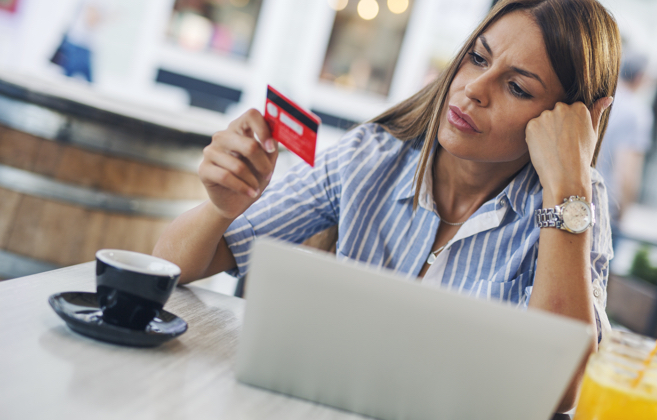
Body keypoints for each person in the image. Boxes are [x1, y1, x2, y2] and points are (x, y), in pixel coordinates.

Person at [153, 0, 620, 412]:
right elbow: (169, 265)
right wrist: (221, 207)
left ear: (574, 120)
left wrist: (568, 186)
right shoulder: (371, 158)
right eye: (477, 58)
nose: (475, 89)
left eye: (517, 87)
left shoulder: (575, 204)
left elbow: (563, 388)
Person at [596, 52, 653, 224]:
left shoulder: (599, 97)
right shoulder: (637, 113)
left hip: (572, 198)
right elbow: (627, 172)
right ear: (640, 77)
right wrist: (623, 213)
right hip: (603, 207)